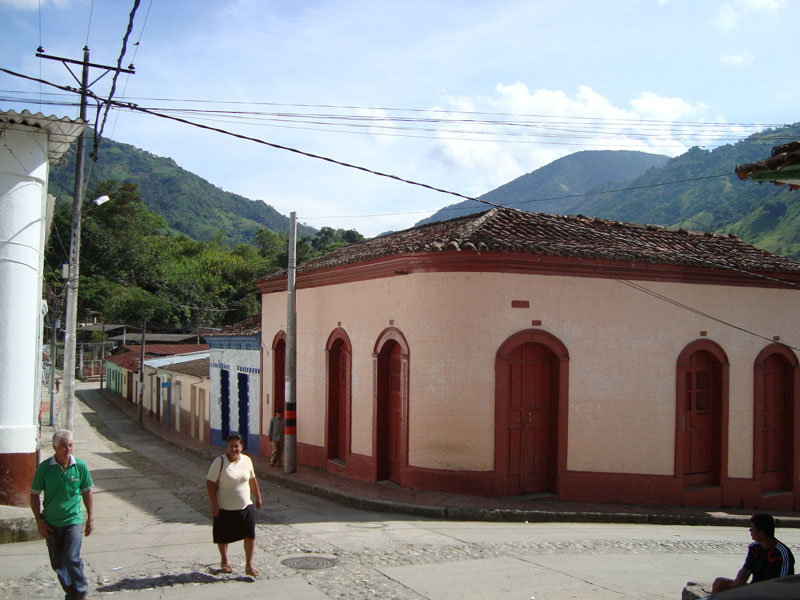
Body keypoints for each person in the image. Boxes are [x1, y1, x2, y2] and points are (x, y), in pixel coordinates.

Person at [29, 429, 94, 600]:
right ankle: (71, 594)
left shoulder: (79, 466)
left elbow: (87, 491)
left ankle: (81, 592)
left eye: (70, 446)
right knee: (57, 564)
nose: (68, 450)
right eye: (64, 446)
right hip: (51, 522)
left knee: (71, 557)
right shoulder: (45, 468)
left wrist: (90, 518)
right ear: (55, 448)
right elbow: (34, 494)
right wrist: (39, 521)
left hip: (73, 520)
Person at [206, 433, 262, 577]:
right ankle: (224, 561)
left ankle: (249, 565)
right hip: (224, 507)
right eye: (231, 446)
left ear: (241, 447)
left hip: (245, 506)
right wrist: (214, 504)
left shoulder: (247, 461)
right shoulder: (219, 462)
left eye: (237, 446)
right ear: (227, 447)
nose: (234, 449)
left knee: (250, 534)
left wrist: (258, 498)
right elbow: (210, 483)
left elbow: (252, 480)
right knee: (223, 536)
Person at [712, 513, 795, 593]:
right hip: (754, 589)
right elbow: (746, 569)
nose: (750, 530)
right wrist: (738, 582)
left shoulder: (782, 553)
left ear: (762, 534)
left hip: (772, 592)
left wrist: (748, 588)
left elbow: (782, 586)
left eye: (752, 528)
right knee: (719, 583)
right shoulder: (754, 547)